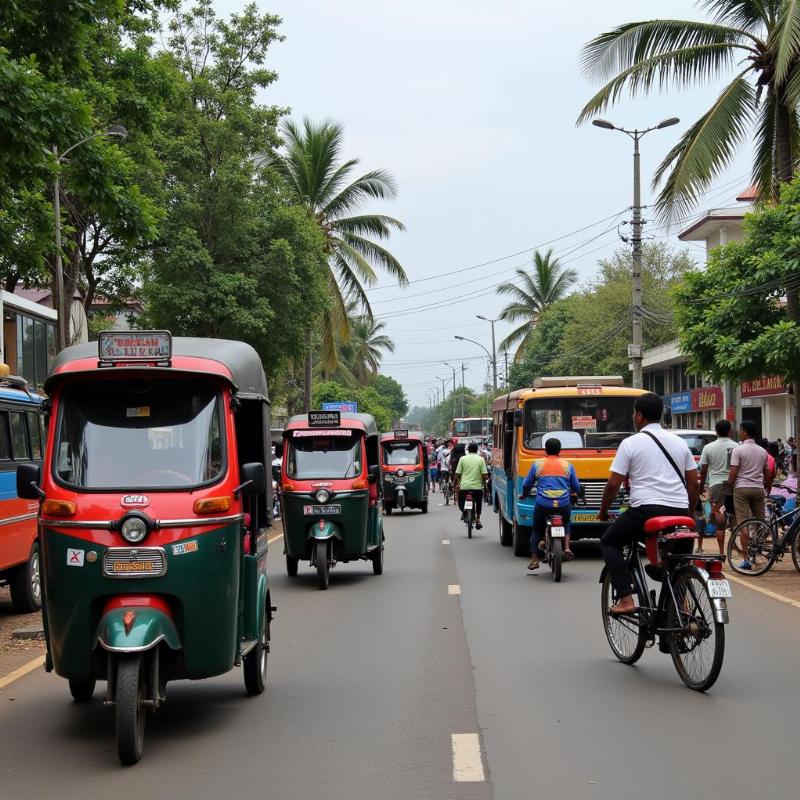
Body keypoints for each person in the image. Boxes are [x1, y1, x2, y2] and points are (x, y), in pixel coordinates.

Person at [598, 392, 699, 616]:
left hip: (647, 510)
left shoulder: (630, 443)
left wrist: (603, 511)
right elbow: (693, 484)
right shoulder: (680, 443)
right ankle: (680, 610)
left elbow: (614, 484)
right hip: (681, 512)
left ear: (639, 416)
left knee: (609, 542)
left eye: (634, 413)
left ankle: (625, 598)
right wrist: (689, 514)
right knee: (678, 564)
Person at [519, 437, 581, 571]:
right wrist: (575, 492)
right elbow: (576, 486)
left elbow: (526, 484)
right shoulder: (567, 465)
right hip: (563, 504)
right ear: (560, 450)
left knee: (536, 529)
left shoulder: (538, 464)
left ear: (545, 450)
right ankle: (567, 547)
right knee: (566, 523)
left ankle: (535, 559)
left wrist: (524, 495)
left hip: (543, 504)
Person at [729, 420, 772, 571]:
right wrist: (765, 484)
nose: (739, 432)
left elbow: (733, 471)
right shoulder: (762, 451)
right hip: (758, 489)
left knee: (744, 523)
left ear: (745, 432)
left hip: (741, 489)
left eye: (741, 430)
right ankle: (757, 554)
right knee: (760, 522)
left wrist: (729, 483)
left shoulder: (738, 450)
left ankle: (747, 559)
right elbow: (768, 471)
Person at [698, 419, 737, 555]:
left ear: (716, 431)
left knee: (719, 518)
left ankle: (721, 552)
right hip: (733, 485)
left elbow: (703, 470)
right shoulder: (736, 446)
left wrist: (702, 486)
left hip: (715, 486)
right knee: (734, 517)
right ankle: (735, 548)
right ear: (730, 431)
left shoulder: (709, 448)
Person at [455, 442, 489, 529]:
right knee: (478, 503)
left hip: (464, 487)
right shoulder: (481, 459)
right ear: (477, 450)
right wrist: (485, 487)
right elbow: (485, 475)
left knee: (461, 501)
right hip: (477, 487)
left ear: (468, 449)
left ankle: (464, 511)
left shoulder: (462, 459)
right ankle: (478, 519)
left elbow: (457, 474)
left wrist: (456, 484)